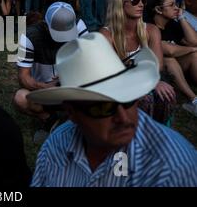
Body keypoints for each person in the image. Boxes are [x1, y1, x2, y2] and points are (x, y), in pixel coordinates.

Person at [29, 32, 197, 187]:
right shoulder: (58, 144)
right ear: (72, 112)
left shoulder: (171, 169)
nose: (123, 118)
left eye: (128, 99)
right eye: (103, 107)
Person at [100, 0, 176, 124]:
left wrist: (155, 82)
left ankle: (160, 136)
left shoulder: (151, 30)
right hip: (118, 85)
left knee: (167, 95)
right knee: (144, 100)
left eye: (143, 1)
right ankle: (134, 138)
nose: (141, 4)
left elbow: (157, 66)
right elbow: (111, 74)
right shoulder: (106, 35)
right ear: (120, 5)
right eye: (135, 1)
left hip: (146, 78)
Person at [14, 2, 87, 122]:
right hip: (44, 89)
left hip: (73, 86)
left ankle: (74, 117)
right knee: (20, 98)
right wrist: (46, 87)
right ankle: (49, 119)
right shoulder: (28, 37)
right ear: (46, 25)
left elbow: (90, 60)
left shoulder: (79, 25)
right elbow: (23, 77)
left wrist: (69, 73)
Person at [149, 0, 197, 116]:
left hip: (179, 70)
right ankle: (194, 100)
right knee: (168, 59)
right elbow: (169, 51)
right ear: (158, 9)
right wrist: (192, 49)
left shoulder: (172, 24)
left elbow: (194, 41)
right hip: (160, 75)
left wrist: (181, 18)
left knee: (194, 55)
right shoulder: (150, 27)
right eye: (171, 5)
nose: (176, 8)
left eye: (176, 3)